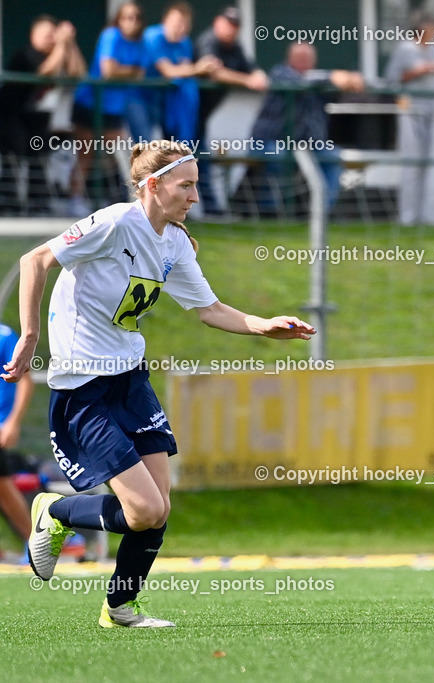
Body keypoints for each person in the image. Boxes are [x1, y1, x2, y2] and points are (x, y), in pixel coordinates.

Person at [2, 139, 316, 627]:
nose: (195, 197)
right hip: (84, 387)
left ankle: (120, 608)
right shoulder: (113, 223)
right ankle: (56, 513)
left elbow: (209, 309)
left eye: (196, 186)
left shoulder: (172, 241)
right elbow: (34, 261)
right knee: (143, 508)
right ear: (153, 185)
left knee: (159, 508)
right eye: (186, 186)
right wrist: (30, 334)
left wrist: (263, 325)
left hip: (130, 380)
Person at [250, 42, 363, 216]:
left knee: (333, 157)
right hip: (270, 142)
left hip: (307, 145)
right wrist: (334, 76)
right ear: (290, 58)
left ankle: (322, 214)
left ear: (314, 61)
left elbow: (339, 86)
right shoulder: (280, 73)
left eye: (308, 58)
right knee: (279, 156)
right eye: (299, 58)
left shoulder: (321, 81)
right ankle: (269, 212)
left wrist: (350, 80)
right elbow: (302, 83)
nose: (304, 62)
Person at [0, 15, 86, 215]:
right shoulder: (25, 54)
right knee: (15, 158)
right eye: (47, 35)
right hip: (10, 116)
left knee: (38, 158)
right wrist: (61, 46)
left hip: (38, 119)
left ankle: (37, 203)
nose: (51, 39)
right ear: (33, 35)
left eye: (53, 35)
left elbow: (78, 73)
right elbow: (45, 72)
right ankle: (9, 203)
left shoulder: (59, 51)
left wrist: (69, 44)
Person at [69, 2, 147, 213]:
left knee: (118, 155)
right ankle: (75, 199)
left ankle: (117, 199)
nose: (132, 22)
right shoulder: (111, 35)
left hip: (114, 108)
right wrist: (129, 71)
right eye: (127, 17)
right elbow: (107, 69)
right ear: (118, 19)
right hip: (89, 103)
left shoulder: (140, 43)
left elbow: (141, 74)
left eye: (136, 17)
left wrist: (124, 71)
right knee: (85, 153)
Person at [194, 6, 268, 214]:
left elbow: (252, 70)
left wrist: (258, 75)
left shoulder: (234, 48)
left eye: (235, 26)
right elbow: (215, 73)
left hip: (202, 114)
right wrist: (247, 80)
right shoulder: (209, 41)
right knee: (189, 158)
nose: (230, 29)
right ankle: (211, 209)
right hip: (183, 111)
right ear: (218, 22)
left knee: (198, 157)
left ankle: (211, 208)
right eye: (228, 24)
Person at [385, 11, 434, 226]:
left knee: (426, 161)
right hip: (411, 108)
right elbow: (392, 78)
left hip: (432, 108)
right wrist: (418, 71)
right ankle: (407, 215)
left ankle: (422, 213)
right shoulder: (405, 48)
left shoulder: (433, 48)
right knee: (411, 161)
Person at [143, 3, 222, 144]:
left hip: (168, 103)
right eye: (178, 23)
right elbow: (169, 71)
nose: (181, 29)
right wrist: (199, 68)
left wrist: (206, 66)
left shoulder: (184, 42)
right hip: (142, 98)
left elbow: (185, 70)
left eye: (186, 24)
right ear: (165, 21)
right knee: (144, 144)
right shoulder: (152, 37)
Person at [0, 323, 33, 550]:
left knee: (3, 485)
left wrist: (13, 421)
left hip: (0, 423)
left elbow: (25, 380)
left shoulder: (4, 335)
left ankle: (35, 543)